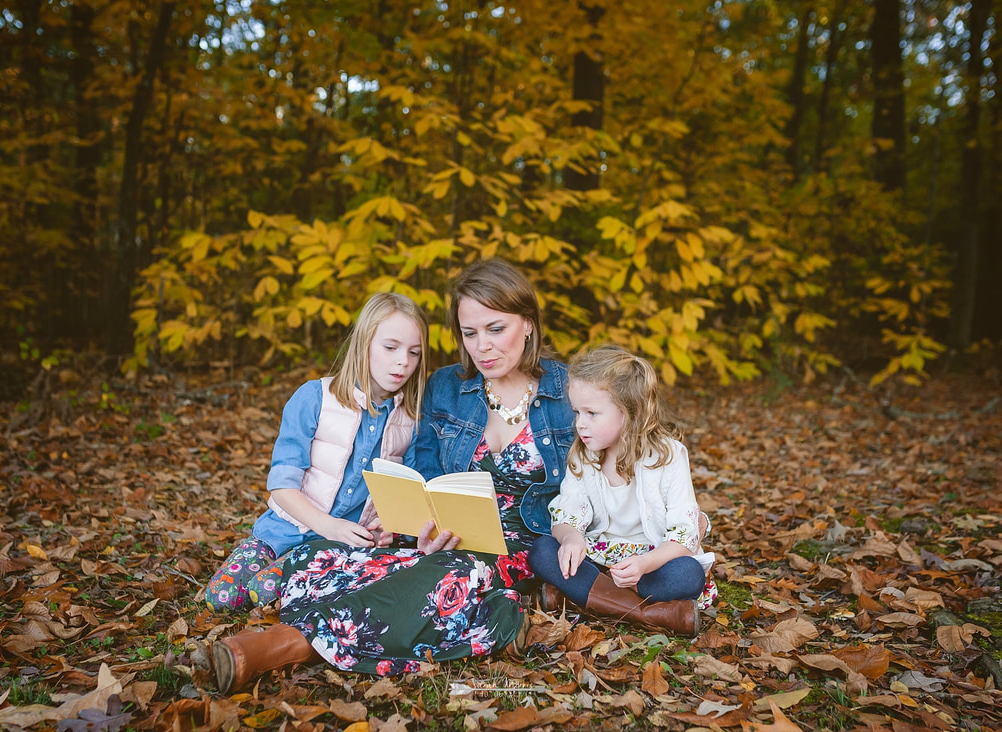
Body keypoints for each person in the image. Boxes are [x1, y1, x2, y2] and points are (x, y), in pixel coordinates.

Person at [211, 258, 575, 692]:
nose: (482, 347)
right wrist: (423, 525)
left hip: (520, 542)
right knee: (323, 560)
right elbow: (425, 474)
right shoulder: (446, 387)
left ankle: (284, 645)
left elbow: (599, 481)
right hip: (451, 534)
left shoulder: (567, 392)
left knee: (450, 573)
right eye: (469, 333)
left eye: (496, 329)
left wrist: (576, 534)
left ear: (529, 324)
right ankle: (497, 615)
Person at [205, 292, 428, 612]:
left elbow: (403, 495)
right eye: (390, 347)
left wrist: (385, 526)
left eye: (414, 352)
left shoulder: (410, 420)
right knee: (222, 598)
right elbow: (282, 487)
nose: (403, 361)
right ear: (364, 343)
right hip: (283, 531)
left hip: (339, 548)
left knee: (265, 594)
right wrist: (328, 525)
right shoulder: (315, 398)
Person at [527, 344, 714, 638]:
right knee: (542, 551)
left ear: (630, 412)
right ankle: (649, 612)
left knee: (687, 574)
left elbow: (684, 534)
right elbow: (568, 510)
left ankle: (584, 598)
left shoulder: (668, 456)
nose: (580, 424)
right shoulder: (584, 455)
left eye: (591, 413)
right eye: (577, 412)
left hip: (650, 563)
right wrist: (572, 537)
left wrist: (644, 564)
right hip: (599, 561)